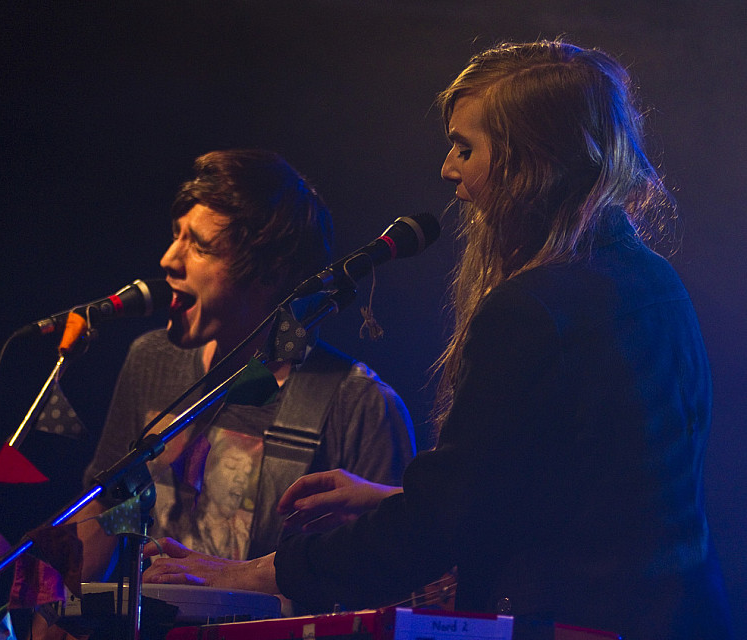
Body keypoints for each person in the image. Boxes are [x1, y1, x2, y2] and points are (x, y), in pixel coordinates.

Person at [141, 42, 733, 640]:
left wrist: (254, 575)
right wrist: (391, 498)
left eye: (465, 148)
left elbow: (440, 530)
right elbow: (578, 490)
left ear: (533, 161)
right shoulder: (654, 281)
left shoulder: (532, 308)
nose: (449, 169)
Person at [73, 148, 416, 583]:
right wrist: (47, 592)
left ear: (270, 274)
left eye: (200, 246)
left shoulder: (359, 404)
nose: (169, 259)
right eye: (177, 235)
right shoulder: (152, 360)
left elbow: (388, 574)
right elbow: (106, 509)